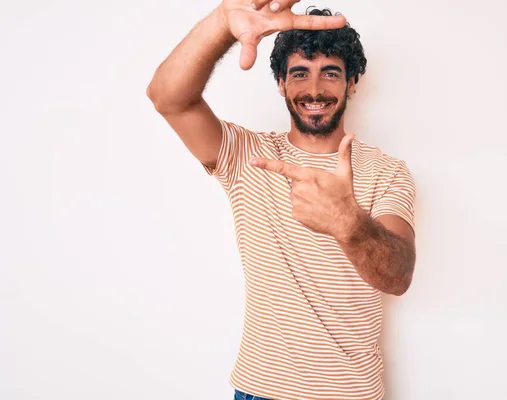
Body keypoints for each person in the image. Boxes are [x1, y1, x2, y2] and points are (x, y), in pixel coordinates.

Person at [147, 1, 417, 399]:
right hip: (260, 391)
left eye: (330, 73)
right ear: (280, 83)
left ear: (352, 82)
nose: (314, 89)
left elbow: (398, 276)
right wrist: (222, 23)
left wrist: (349, 223)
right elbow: (167, 97)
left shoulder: (387, 171)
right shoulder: (246, 155)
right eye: (299, 73)